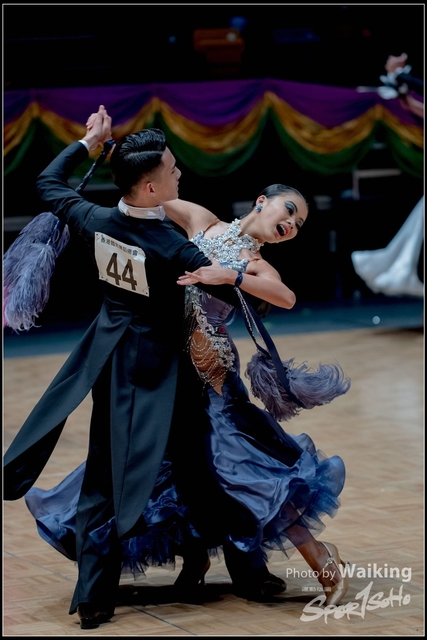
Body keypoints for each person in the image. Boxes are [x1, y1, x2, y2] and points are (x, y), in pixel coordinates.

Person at [23, 181, 352, 615]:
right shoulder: (202, 221)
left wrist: (230, 276)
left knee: (238, 465)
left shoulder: (257, 265)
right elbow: (148, 198)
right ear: (261, 201)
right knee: (166, 465)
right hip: (163, 364)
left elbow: (286, 298)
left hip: (211, 374)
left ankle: (321, 558)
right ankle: (194, 559)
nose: (291, 223)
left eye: (299, 223)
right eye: (288, 210)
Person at [2, 105, 248, 630]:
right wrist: (242, 272)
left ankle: (128, 583)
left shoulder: (94, 218)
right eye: (173, 170)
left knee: (160, 471)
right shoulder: (171, 247)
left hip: (116, 363)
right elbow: (236, 293)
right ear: (151, 189)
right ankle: (115, 589)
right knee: (165, 472)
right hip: (159, 373)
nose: (180, 173)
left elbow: (47, 183)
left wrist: (89, 142)